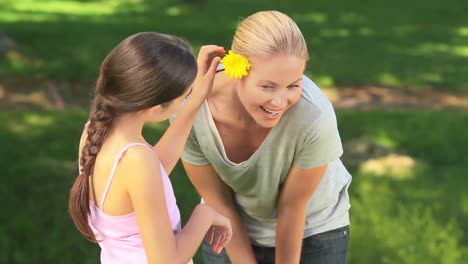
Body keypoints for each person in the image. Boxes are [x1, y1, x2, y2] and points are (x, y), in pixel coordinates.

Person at [178, 11, 352, 264]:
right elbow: (218, 201)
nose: (281, 102)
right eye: (267, 86)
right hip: (227, 224)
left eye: (293, 84)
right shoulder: (191, 108)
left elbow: (292, 209)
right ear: (239, 70)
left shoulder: (314, 116)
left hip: (313, 230)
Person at [68, 32, 232, 264]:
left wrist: (195, 100)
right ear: (156, 108)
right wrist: (204, 214)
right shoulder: (137, 160)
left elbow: (151, 177)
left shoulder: (94, 133)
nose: (186, 98)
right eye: (184, 96)